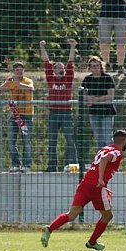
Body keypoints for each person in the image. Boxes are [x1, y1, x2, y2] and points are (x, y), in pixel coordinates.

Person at [41, 129, 126, 251]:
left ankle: (49, 229)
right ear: (124, 141)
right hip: (96, 187)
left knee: (71, 214)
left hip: (85, 184)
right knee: (108, 215)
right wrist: (101, 180)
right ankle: (92, 242)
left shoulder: (104, 148)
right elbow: (104, 160)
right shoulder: (117, 153)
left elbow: (101, 162)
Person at [40, 39, 78, 172]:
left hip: (66, 113)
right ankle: (52, 166)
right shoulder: (51, 78)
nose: (61, 70)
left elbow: (70, 62)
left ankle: (74, 166)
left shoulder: (68, 78)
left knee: (70, 141)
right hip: (53, 113)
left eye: (62, 68)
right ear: (54, 71)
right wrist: (42, 47)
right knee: (52, 141)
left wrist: (73, 46)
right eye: (57, 68)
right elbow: (46, 62)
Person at [0, 61, 35, 172]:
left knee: (26, 141)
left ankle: (27, 165)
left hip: (27, 115)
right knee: (11, 140)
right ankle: (16, 164)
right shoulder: (11, 82)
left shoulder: (27, 81)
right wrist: (6, 83)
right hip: (15, 115)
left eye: (21, 69)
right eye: (17, 69)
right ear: (14, 71)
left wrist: (18, 84)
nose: (19, 71)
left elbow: (31, 88)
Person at [90, 0, 126, 71]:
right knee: (104, 41)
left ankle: (120, 65)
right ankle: (106, 65)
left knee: (121, 42)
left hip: (120, 16)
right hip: (105, 16)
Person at [81, 56, 116, 153]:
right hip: (94, 112)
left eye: (97, 65)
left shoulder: (107, 78)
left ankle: (111, 160)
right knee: (98, 139)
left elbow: (111, 96)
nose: (95, 68)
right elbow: (83, 95)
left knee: (107, 138)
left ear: (101, 66)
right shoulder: (87, 79)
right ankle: (101, 161)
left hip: (107, 112)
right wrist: (89, 100)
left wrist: (95, 99)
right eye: (92, 66)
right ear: (90, 68)